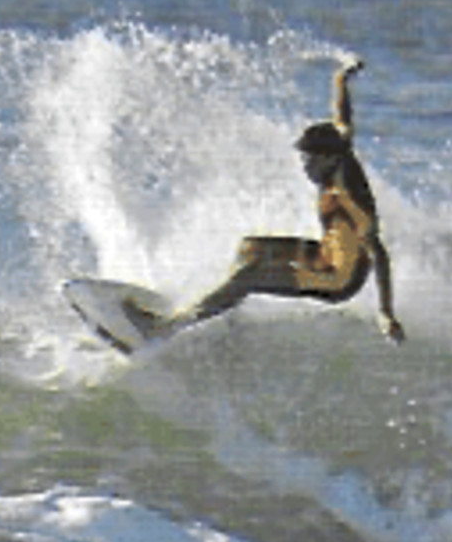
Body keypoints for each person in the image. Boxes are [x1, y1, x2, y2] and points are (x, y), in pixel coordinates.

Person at [160, 59, 405, 343]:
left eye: (309, 161)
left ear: (328, 159)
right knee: (249, 249)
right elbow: (342, 118)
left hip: (337, 277)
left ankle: (168, 328)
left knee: (251, 275)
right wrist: (341, 79)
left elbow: (378, 252)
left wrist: (386, 313)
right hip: (324, 252)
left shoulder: (348, 196)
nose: (304, 168)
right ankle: (225, 317)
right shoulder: (341, 149)